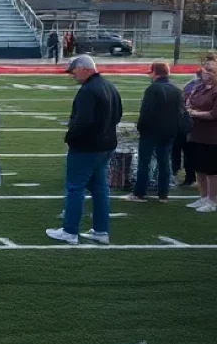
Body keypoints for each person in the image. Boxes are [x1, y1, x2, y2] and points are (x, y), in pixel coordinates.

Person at [46, 55, 123, 245]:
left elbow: (83, 121)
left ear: (85, 69)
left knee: (75, 187)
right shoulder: (109, 86)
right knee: (100, 189)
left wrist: (70, 138)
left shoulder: (88, 90)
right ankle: (100, 230)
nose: (73, 75)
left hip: (87, 147)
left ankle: (70, 231)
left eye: (74, 71)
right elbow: (118, 115)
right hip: (105, 145)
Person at [126, 61, 182, 203]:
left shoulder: (152, 89)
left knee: (144, 162)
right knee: (164, 162)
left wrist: (140, 127)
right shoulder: (176, 90)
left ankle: (140, 193)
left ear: (155, 72)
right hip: (169, 131)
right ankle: (163, 194)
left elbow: (146, 112)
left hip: (151, 131)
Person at [185, 58, 217, 213]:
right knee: (198, 167)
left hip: (211, 136)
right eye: (206, 70)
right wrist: (190, 108)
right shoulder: (199, 86)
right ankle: (203, 197)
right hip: (195, 133)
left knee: (211, 169)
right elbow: (189, 102)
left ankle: (212, 201)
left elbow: (214, 114)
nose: (208, 74)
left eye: (212, 71)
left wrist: (195, 113)